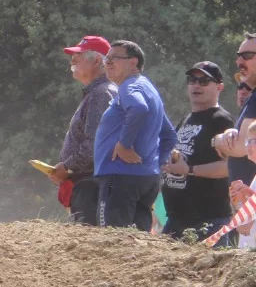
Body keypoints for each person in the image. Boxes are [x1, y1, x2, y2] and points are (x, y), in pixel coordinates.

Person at [92, 40, 177, 230]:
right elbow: (170, 135)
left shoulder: (129, 86)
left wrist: (124, 144)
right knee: (138, 245)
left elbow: (138, 107)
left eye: (115, 58)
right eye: (107, 58)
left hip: (119, 176)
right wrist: (157, 163)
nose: (108, 62)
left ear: (133, 62)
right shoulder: (149, 88)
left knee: (110, 240)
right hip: (147, 178)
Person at [161, 61, 234, 241]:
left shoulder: (220, 120)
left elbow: (230, 167)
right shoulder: (186, 118)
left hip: (208, 221)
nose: (196, 85)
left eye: (204, 81)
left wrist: (189, 170)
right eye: (192, 80)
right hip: (176, 220)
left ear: (219, 87)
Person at [50, 35, 116, 227]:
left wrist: (68, 167)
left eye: (78, 56)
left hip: (91, 186)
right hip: (91, 183)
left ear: (96, 60)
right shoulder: (100, 92)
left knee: (89, 244)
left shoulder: (100, 93)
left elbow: (94, 144)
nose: (73, 60)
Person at [211, 33, 256, 184]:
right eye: (239, 56)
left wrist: (216, 140)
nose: (239, 61)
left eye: (247, 55)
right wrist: (229, 133)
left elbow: (242, 146)